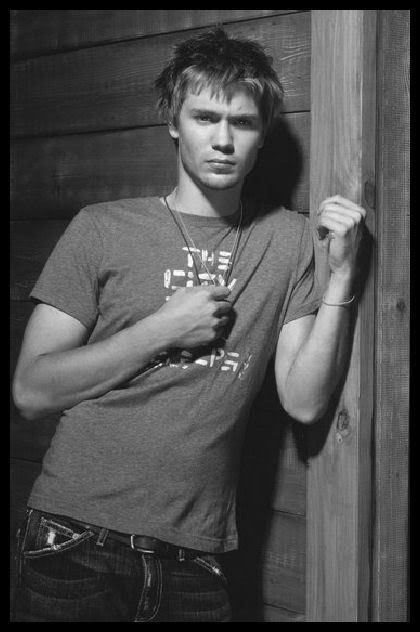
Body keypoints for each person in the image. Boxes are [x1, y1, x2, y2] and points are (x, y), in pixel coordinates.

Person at [12, 27, 366, 622]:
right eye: (205, 118)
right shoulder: (101, 227)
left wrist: (342, 278)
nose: (223, 140)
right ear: (174, 122)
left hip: (197, 558)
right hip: (74, 538)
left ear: (262, 134)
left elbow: (304, 401)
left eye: (242, 123)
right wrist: (162, 329)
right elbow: (30, 391)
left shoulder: (289, 241)